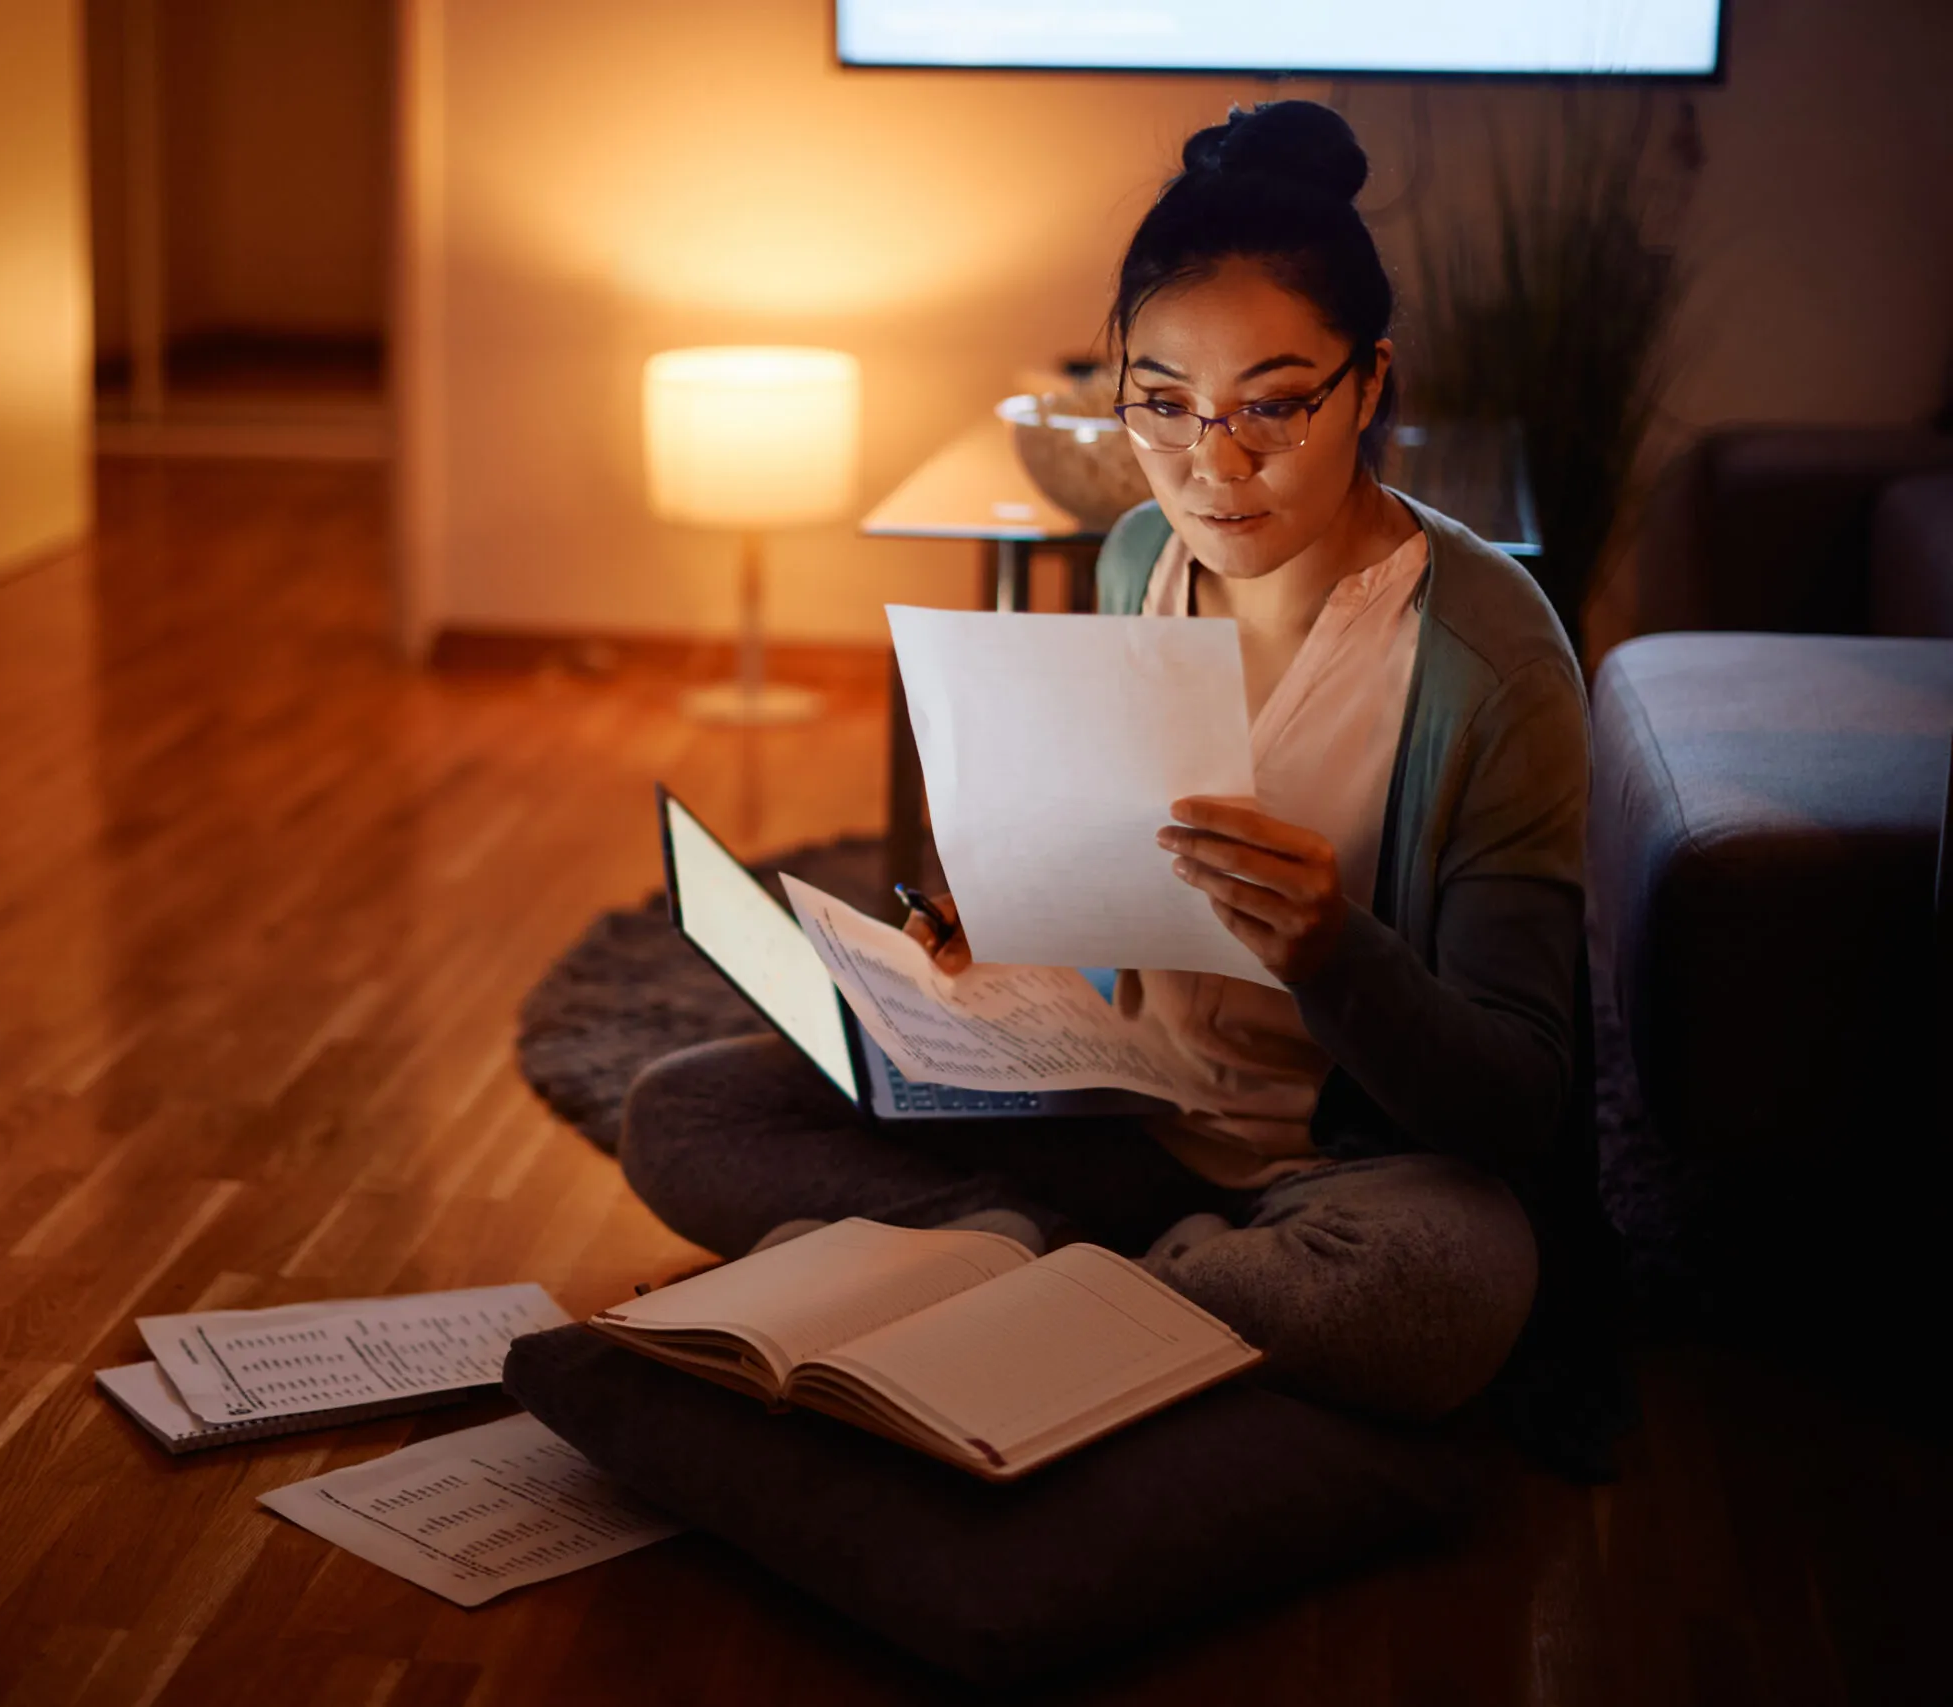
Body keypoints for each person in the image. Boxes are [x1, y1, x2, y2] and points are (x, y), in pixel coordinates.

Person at [618, 100, 1590, 1424]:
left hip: (1342, 1173)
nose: (1214, 463)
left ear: (1370, 383)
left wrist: (1333, 952)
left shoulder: (1491, 658)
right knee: (685, 1114)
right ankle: (1095, 1301)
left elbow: (1520, 1097)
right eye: (1163, 405)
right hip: (1118, 1111)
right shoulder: (1140, 554)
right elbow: (1128, 905)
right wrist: (1012, 931)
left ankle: (996, 1268)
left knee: (1426, 1291)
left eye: (1277, 405)